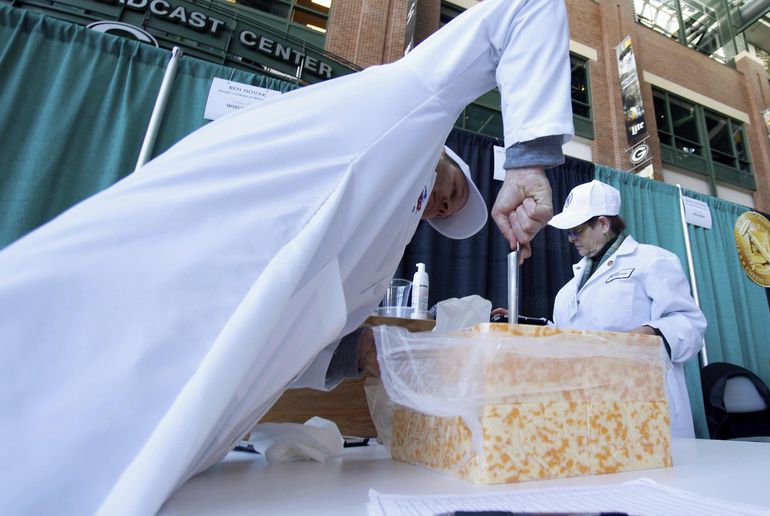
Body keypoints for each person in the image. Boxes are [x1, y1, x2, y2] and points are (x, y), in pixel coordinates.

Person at [0, 0, 574, 514]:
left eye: (443, 215)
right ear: (450, 156)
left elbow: (294, 333)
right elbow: (526, 7)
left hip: (186, 410)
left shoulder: (380, 241)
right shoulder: (403, 102)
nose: (445, 207)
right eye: (452, 193)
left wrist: (359, 352)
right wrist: (528, 162)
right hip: (137, 293)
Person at [547, 180, 707, 438]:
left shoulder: (652, 261)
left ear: (602, 223)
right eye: (568, 232)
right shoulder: (567, 291)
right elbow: (565, 339)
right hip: (588, 409)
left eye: (576, 230)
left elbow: (691, 326)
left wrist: (651, 333)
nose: (570, 239)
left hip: (646, 404)